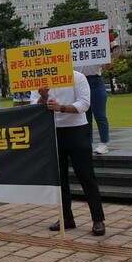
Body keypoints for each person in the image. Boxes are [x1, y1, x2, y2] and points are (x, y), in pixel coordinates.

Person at [31, 71, 106, 236]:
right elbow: (33, 106)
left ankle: (98, 219)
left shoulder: (77, 77)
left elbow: (84, 104)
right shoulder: (38, 79)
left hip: (77, 130)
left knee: (85, 175)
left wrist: (62, 108)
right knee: (59, 178)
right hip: (52, 131)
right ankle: (66, 218)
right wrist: (43, 98)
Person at [77, 63, 110, 154]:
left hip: (95, 80)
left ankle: (104, 143)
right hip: (79, 81)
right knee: (85, 116)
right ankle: (87, 142)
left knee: (100, 115)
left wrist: (108, 55)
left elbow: (107, 66)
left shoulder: (95, 51)